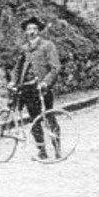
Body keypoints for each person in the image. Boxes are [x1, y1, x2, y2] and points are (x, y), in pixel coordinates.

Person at [13, 15, 63, 160]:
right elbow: (17, 68)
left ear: (39, 31)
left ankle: (57, 148)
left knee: (49, 117)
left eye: (34, 29)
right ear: (25, 32)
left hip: (43, 88)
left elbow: (55, 68)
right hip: (27, 88)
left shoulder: (48, 46)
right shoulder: (24, 48)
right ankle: (42, 150)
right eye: (29, 29)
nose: (32, 32)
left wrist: (45, 82)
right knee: (34, 119)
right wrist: (13, 81)